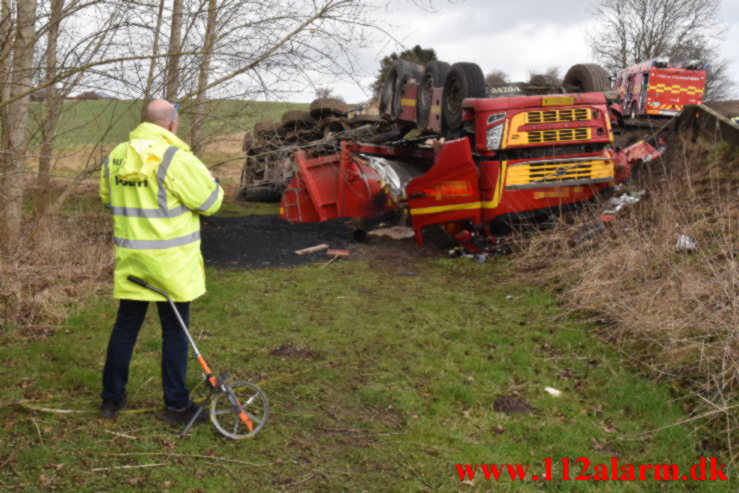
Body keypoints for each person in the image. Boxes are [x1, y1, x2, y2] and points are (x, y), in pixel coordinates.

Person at [98, 99, 224, 423]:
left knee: (125, 327)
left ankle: (111, 402)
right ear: (171, 124)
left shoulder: (116, 156)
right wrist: (214, 181)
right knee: (174, 332)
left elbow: (107, 198)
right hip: (171, 266)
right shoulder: (175, 158)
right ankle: (177, 406)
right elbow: (210, 203)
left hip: (133, 262)